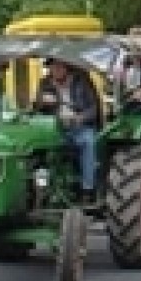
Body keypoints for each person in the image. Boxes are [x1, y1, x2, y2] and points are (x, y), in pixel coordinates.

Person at [41, 58, 100, 202]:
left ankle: (88, 189)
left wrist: (79, 118)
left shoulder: (82, 81)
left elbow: (94, 109)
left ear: (66, 67)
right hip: (56, 128)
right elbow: (36, 106)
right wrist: (43, 101)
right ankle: (43, 188)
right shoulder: (45, 83)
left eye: (58, 66)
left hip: (80, 127)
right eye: (52, 67)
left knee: (88, 141)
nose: (55, 70)